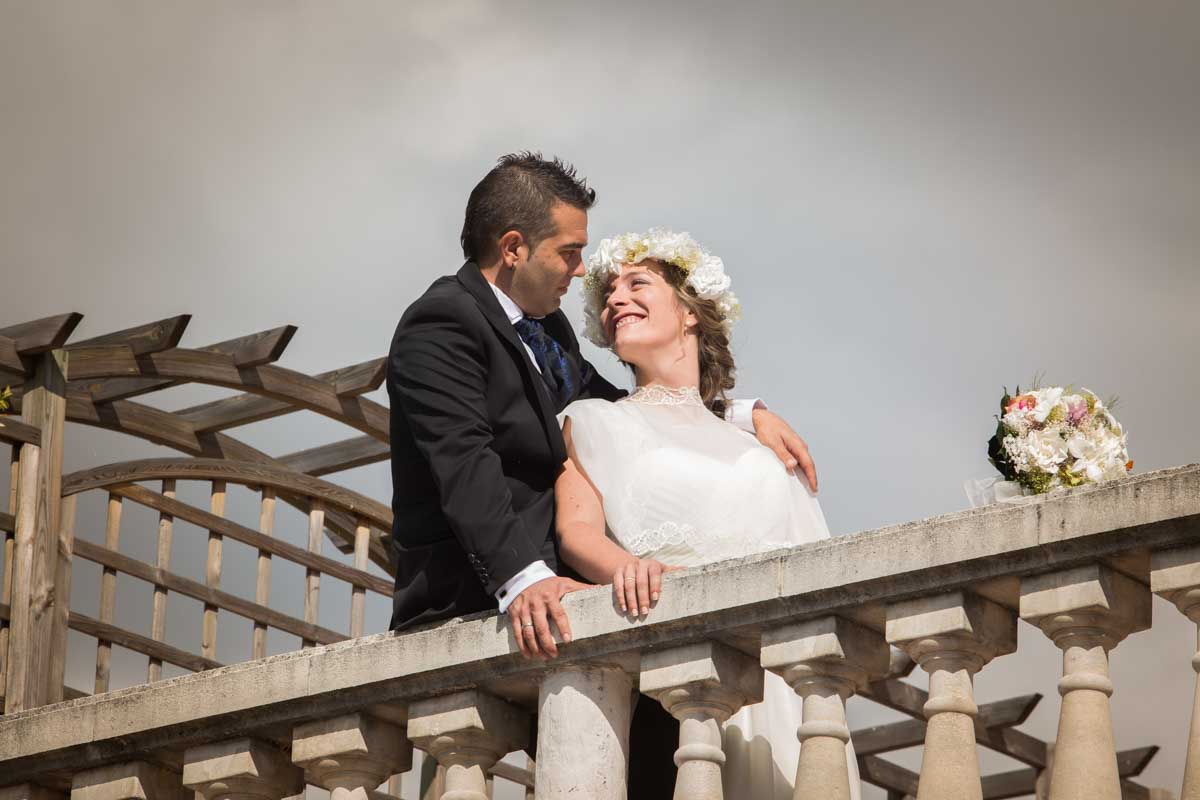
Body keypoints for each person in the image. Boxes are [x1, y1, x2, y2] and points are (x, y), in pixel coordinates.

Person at [386, 153, 819, 797]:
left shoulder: (545, 329)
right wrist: (524, 577)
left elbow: (627, 410)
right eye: (570, 251)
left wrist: (739, 412)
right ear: (514, 247)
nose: (583, 270)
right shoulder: (441, 322)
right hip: (481, 594)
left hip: (573, 600)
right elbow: (462, 461)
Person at [554, 228, 859, 800]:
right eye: (609, 293)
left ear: (691, 311)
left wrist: (749, 413)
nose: (616, 298)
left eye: (637, 284)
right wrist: (626, 567)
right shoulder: (592, 420)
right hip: (683, 669)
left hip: (782, 684)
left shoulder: (758, 442)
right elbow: (575, 532)